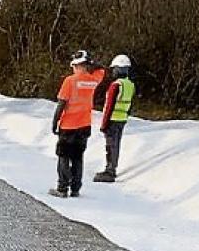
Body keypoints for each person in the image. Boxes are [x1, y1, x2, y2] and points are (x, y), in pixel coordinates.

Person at [49, 50, 106, 198]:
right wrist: (91, 63)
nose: (73, 69)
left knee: (63, 157)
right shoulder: (93, 80)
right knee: (78, 157)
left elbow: (61, 103)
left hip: (68, 126)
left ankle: (62, 188)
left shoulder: (70, 81)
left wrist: (55, 122)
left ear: (77, 66)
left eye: (74, 66)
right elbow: (101, 69)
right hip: (84, 125)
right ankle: (75, 189)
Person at [94, 54, 135, 183]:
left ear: (117, 69)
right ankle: (112, 168)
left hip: (112, 119)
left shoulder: (115, 85)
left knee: (111, 146)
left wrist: (104, 124)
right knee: (116, 145)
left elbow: (109, 106)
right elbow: (130, 105)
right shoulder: (130, 85)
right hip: (122, 119)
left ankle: (110, 171)